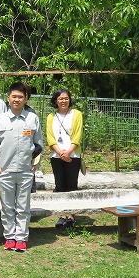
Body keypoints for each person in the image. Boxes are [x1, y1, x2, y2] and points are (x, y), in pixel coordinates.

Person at [0, 82, 43, 252]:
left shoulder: (32, 118)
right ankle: (9, 236)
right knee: (7, 206)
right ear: (8, 98)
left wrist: (34, 165)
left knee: (23, 207)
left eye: (20, 97)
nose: (17, 99)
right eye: (14, 96)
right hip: (5, 171)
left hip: (25, 170)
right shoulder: (0, 119)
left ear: (26, 98)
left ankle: (21, 238)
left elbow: (38, 145)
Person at [48, 88, 84, 229]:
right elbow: (50, 137)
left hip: (73, 155)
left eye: (66, 98)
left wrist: (68, 152)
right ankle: (62, 214)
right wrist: (60, 152)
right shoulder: (51, 116)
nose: (63, 101)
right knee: (59, 185)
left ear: (70, 100)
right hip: (56, 156)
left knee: (72, 185)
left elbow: (77, 135)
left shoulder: (77, 114)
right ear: (55, 100)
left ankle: (72, 215)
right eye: (60, 98)